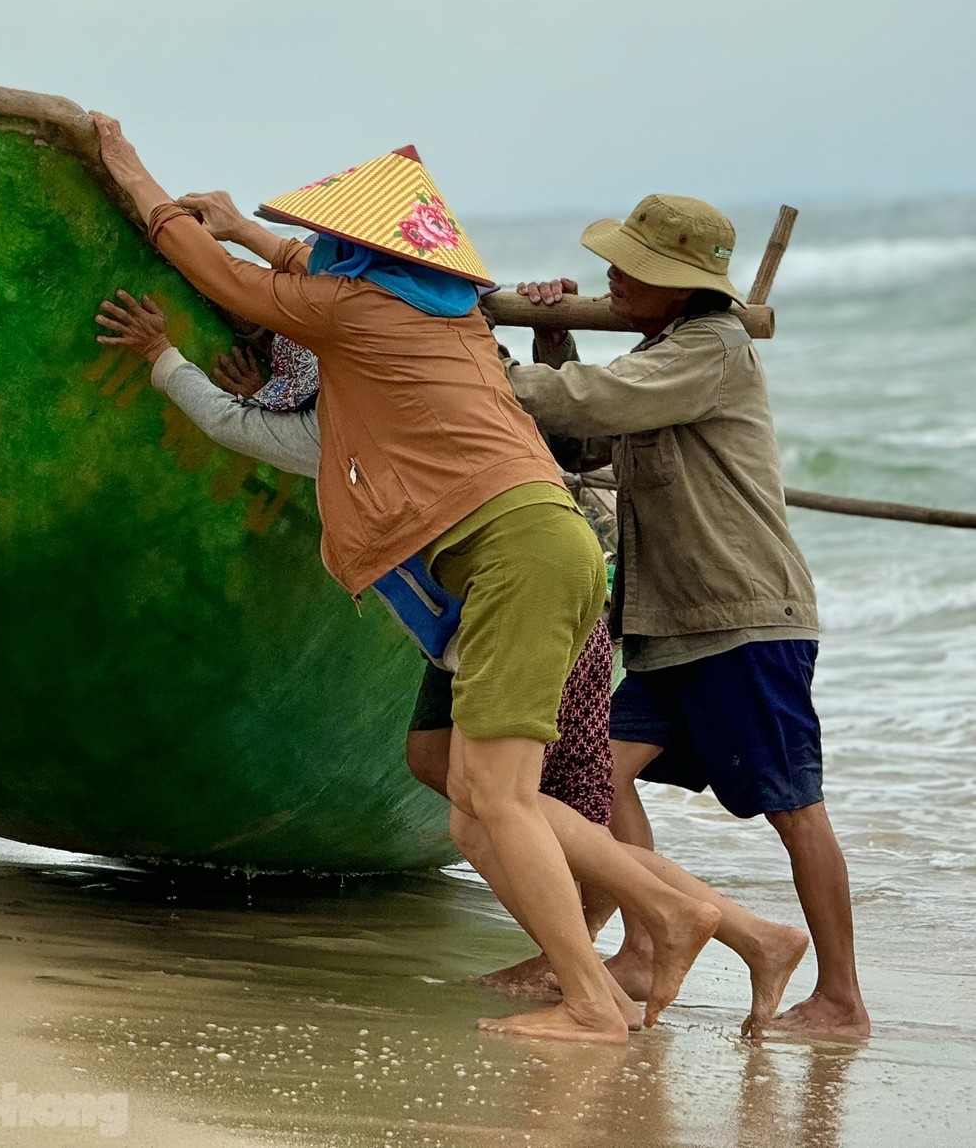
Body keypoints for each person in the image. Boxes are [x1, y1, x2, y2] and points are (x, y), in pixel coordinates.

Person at [90, 122, 806, 1040]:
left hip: (516, 555)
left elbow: (226, 280)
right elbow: (293, 266)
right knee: (476, 807)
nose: (321, 266)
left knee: (497, 801)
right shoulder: (447, 307)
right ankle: (714, 922)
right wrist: (246, 229)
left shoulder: (351, 312)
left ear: (356, 262)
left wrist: (127, 167)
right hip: (535, 547)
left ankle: (593, 1001)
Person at [507, 195, 868, 1039]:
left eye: (630, 266)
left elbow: (585, 404)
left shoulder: (711, 348)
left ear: (677, 286)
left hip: (743, 618)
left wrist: (465, 361)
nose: (611, 275)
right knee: (603, 776)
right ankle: (642, 944)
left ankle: (843, 998)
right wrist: (551, 338)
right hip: (669, 623)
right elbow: (577, 442)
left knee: (794, 806)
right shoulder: (658, 353)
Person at [91, 297, 618, 830]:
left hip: (514, 612)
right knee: (445, 766)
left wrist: (161, 352)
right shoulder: (420, 397)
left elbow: (226, 422)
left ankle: (658, 900)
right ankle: (636, 895)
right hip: (472, 622)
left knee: (522, 798)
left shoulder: (339, 430)